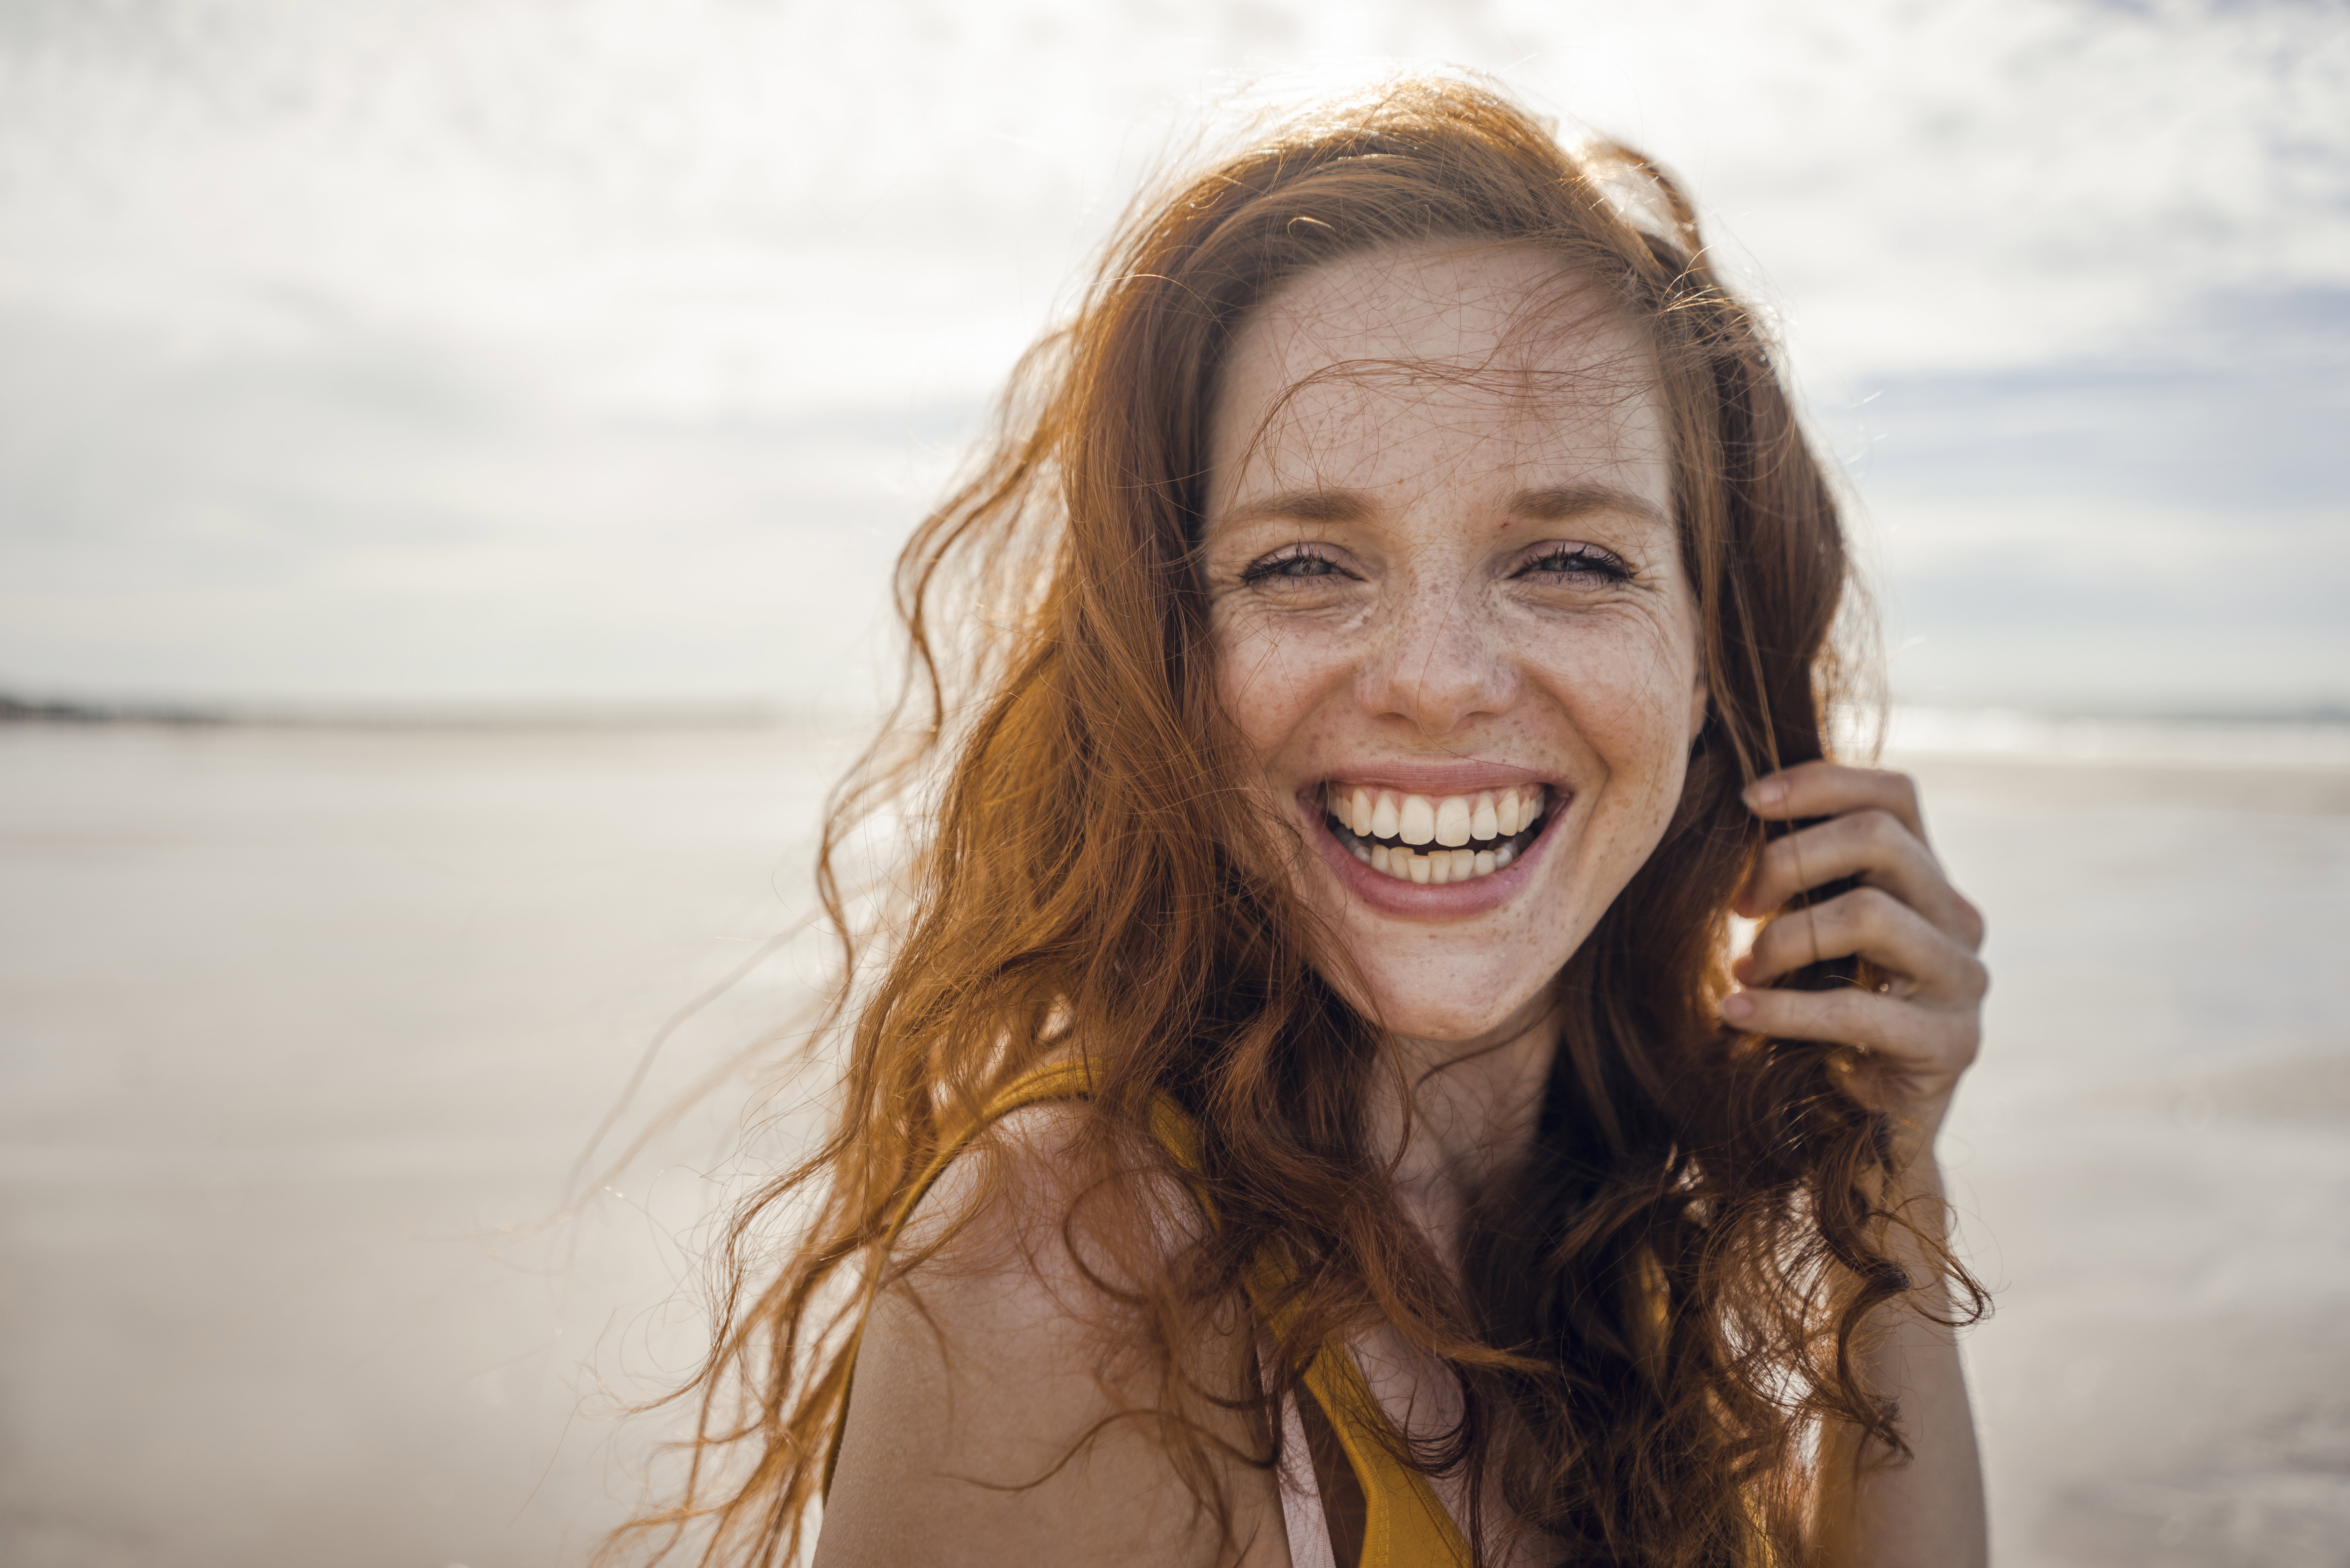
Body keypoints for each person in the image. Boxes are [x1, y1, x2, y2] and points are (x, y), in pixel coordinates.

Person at [620, 75, 1990, 1568]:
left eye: (1573, 561)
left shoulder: (1609, 1230)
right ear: (1168, 659)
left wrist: (1883, 1184)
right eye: (1301, 566)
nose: (1435, 682)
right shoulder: (1068, 1273)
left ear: (1712, 666)